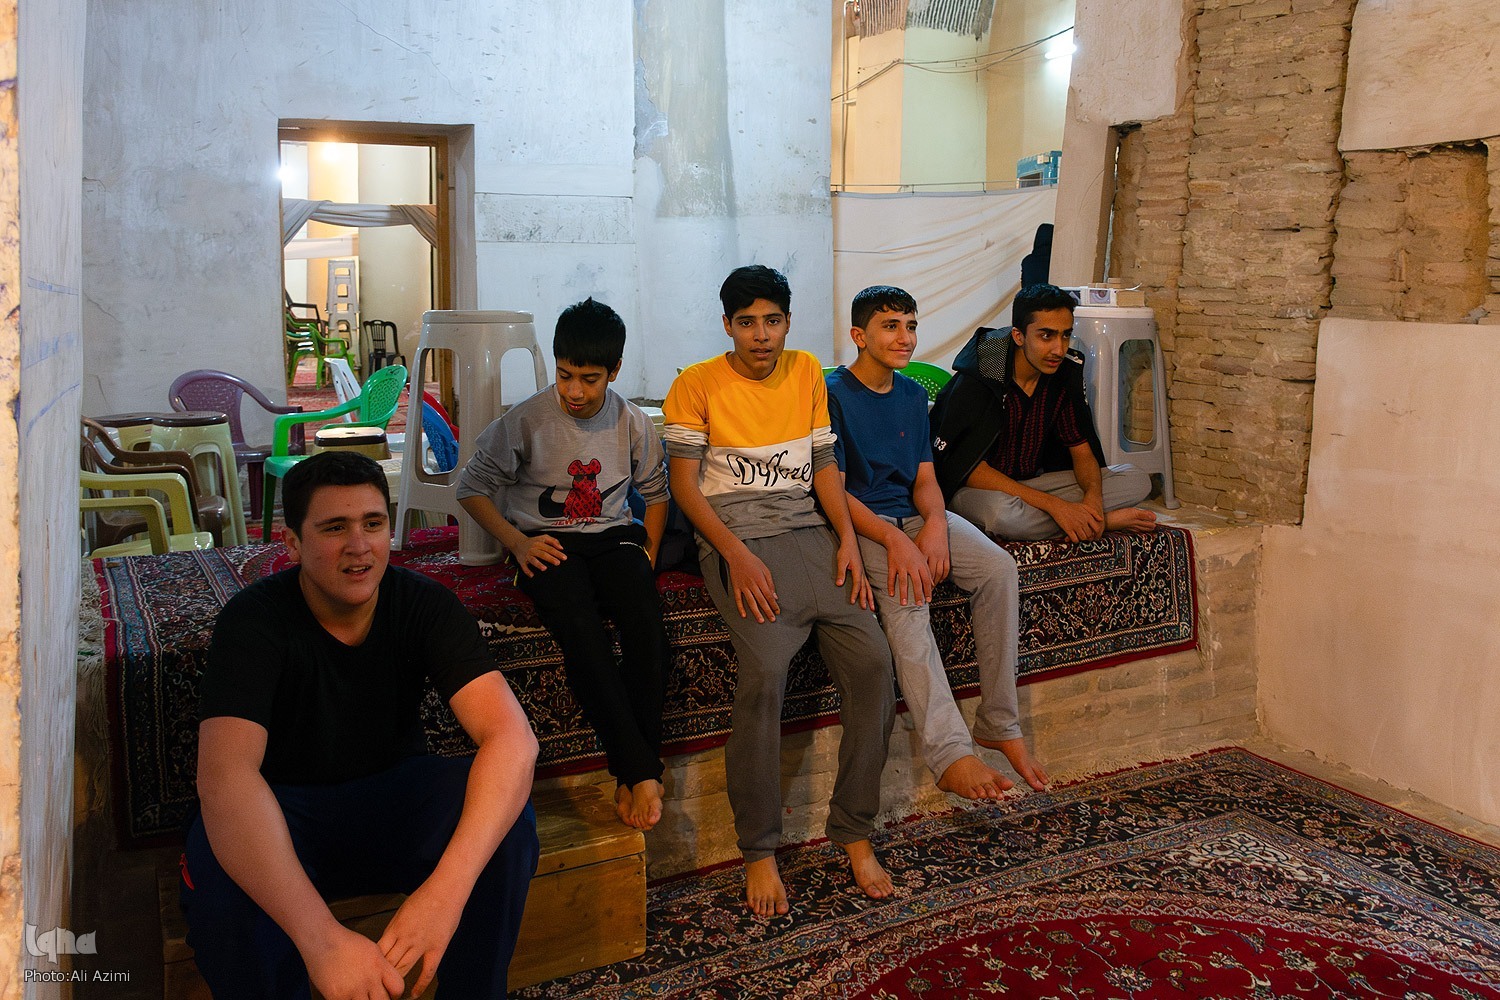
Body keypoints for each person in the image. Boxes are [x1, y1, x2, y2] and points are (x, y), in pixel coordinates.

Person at [183, 451, 540, 1000]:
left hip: (394, 798)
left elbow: (512, 739)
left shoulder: (423, 603)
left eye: (373, 524)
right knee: (219, 855)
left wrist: (445, 895)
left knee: (506, 820)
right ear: (292, 543)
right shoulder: (253, 620)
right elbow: (226, 777)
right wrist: (322, 940)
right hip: (286, 813)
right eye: (334, 528)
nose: (359, 546)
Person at [663, 264, 896, 918]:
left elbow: (824, 466)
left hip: (810, 533)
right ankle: (759, 849)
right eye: (747, 323)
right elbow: (684, 486)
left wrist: (846, 538)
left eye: (772, 321)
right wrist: (733, 554)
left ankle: (853, 830)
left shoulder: (806, 371)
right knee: (765, 673)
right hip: (735, 538)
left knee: (874, 664)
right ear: (727, 325)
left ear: (788, 322)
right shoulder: (695, 384)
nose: (761, 335)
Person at [827, 285, 1049, 799]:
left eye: (910, 326)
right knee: (910, 597)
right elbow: (833, 492)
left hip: (915, 515)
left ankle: (999, 723)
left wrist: (932, 524)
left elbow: (926, 477)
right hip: (866, 524)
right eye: (890, 326)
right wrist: (896, 541)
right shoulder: (832, 393)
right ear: (858, 335)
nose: (905, 338)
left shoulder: (910, 394)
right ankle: (950, 754)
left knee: (998, 569)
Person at [457, 297, 670, 831]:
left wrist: (648, 552)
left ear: (614, 371)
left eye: (589, 379)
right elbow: (471, 489)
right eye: (565, 375)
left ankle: (635, 768)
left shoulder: (633, 422)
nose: (574, 391)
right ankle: (640, 769)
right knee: (581, 629)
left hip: (614, 538)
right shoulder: (526, 419)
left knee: (647, 626)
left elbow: (656, 493)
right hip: (546, 542)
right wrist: (517, 543)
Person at [930, 282, 1158, 541]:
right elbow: (967, 467)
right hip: (977, 491)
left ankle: (1084, 519)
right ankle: (1104, 522)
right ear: (1018, 336)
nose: (1059, 349)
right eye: (1046, 336)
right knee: (1002, 516)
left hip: (1033, 486)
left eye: (1065, 335)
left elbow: (1082, 451)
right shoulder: (983, 374)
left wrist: (1093, 500)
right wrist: (1055, 505)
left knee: (1136, 479)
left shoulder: (1062, 374)